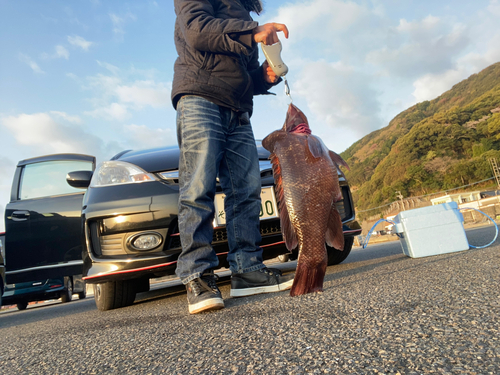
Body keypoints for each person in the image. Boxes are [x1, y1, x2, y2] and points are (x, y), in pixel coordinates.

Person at [171, 0, 294, 314]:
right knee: (198, 189)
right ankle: (197, 275)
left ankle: (247, 269)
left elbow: (241, 74)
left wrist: (263, 77)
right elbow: (197, 30)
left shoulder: (242, 10)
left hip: (237, 108)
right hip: (200, 97)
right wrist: (253, 32)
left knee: (246, 191)